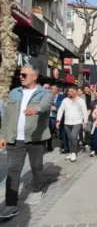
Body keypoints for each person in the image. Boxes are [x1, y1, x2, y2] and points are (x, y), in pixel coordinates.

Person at [0, 65, 52, 218]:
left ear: (34, 76)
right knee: (13, 171)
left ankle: (37, 189)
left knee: (36, 167)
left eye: (24, 74)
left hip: (35, 138)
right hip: (14, 139)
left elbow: (46, 104)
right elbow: (7, 117)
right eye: (20, 75)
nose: (21, 77)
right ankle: (10, 204)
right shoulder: (14, 93)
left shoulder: (45, 93)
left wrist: (36, 109)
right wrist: (3, 135)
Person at [56, 86, 88, 162]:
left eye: (70, 91)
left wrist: (85, 122)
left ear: (76, 92)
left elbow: (84, 112)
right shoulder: (65, 100)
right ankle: (71, 152)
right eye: (68, 91)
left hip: (77, 122)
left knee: (73, 136)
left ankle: (74, 153)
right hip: (67, 123)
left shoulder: (81, 101)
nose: (68, 93)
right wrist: (58, 121)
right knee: (69, 138)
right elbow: (60, 110)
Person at [48, 85, 67, 153]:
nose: (50, 90)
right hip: (50, 117)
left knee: (62, 132)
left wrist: (56, 109)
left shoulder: (63, 98)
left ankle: (64, 146)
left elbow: (65, 108)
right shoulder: (48, 97)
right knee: (49, 132)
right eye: (50, 89)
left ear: (57, 90)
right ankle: (49, 146)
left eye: (52, 89)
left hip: (59, 118)